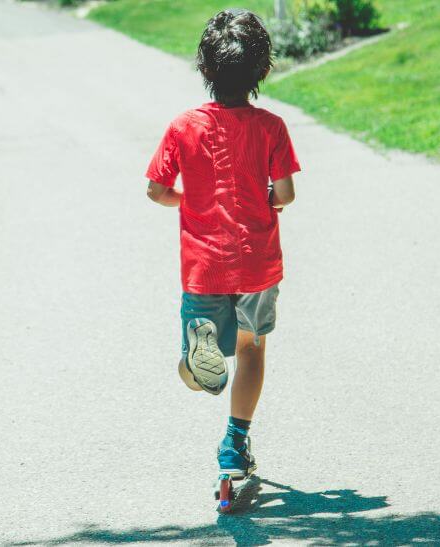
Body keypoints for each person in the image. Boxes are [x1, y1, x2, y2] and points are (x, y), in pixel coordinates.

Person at [145, 8, 300, 479]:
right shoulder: (272, 127)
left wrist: (186, 201)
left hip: (204, 267)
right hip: (257, 263)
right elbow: (286, 194)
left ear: (205, 70)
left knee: (200, 377)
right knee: (252, 348)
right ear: (263, 71)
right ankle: (235, 443)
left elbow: (155, 189)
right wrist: (270, 198)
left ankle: (195, 363)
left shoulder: (183, 125)